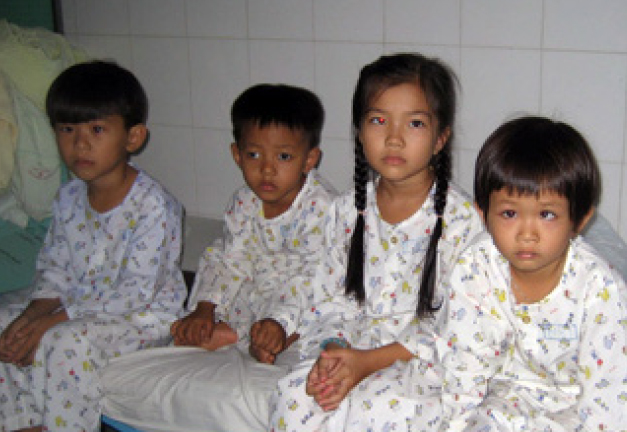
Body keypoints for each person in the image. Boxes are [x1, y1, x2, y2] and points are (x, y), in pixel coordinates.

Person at [99, 84, 337, 432]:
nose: (267, 170)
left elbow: (315, 277)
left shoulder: (323, 208)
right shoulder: (243, 202)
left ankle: (270, 340)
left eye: (283, 157)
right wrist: (206, 307)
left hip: (301, 298)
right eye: (254, 156)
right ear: (236, 155)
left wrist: (279, 323)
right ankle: (234, 333)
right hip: (257, 293)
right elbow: (226, 259)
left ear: (309, 159)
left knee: (317, 315)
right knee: (216, 300)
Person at [269, 53, 484, 432]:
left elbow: (459, 326)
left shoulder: (461, 221)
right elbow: (329, 297)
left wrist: (369, 362)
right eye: (378, 120)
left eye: (415, 123)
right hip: (353, 344)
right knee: (293, 396)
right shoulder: (345, 211)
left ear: (441, 138)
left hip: (419, 361)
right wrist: (334, 351)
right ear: (358, 131)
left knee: (377, 409)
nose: (395, 137)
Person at [0, 61, 186, 432]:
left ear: (133, 138)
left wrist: (52, 320)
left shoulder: (154, 205)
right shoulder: (68, 197)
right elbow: (54, 268)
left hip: (140, 317)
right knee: (8, 322)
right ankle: (23, 423)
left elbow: (134, 292)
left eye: (97, 129)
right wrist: (33, 316)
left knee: (65, 342)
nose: (80, 143)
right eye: (67, 129)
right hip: (79, 304)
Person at [436, 116, 627, 431]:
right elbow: (464, 367)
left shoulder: (601, 291)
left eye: (547, 214)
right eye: (509, 213)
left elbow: (607, 400)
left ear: (579, 220)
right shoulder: (475, 268)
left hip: (571, 407)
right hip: (499, 399)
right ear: (483, 214)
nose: (527, 233)